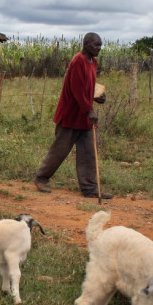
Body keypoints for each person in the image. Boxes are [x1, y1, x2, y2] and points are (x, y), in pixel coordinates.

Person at [33, 32, 113, 199]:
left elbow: (87, 86)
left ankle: (90, 188)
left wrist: (98, 97)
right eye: (95, 45)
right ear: (86, 44)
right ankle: (41, 178)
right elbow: (76, 89)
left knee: (89, 152)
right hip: (71, 114)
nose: (98, 48)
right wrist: (89, 110)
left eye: (100, 45)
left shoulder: (93, 62)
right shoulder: (78, 61)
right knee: (59, 150)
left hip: (85, 116)